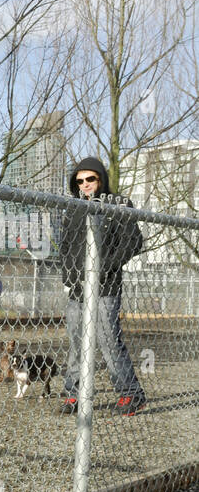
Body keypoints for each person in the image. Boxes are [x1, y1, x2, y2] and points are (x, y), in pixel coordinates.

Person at [55, 156, 147, 416]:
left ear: (101, 179)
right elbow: (64, 247)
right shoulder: (72, 207)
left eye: (90, 179)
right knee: (76, 341)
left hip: (105, 287)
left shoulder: (118, 204)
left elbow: (133, 242)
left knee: (108, 340)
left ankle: (131, 393)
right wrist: (69, 276)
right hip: (76, 288)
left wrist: (103, 268)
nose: (85, 184)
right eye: (80, 180)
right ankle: (75, 395)